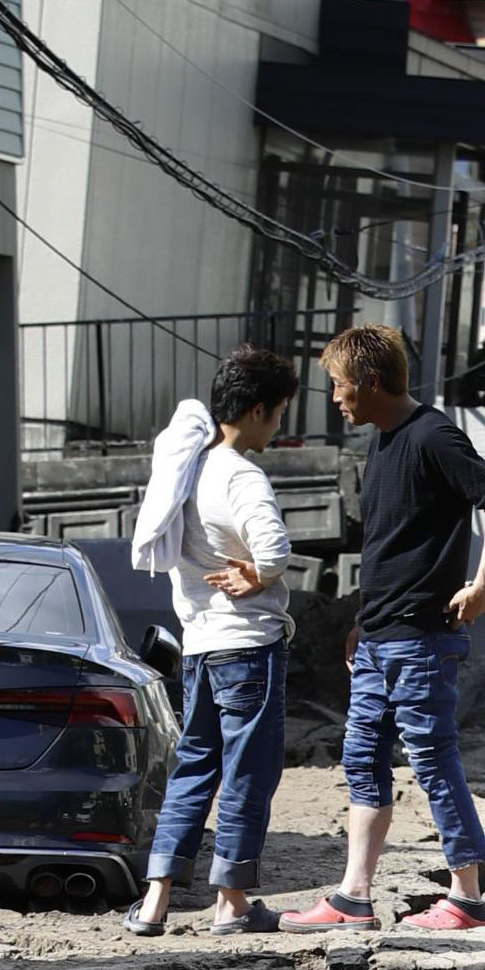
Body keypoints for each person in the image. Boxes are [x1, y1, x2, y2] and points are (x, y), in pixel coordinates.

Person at [280, 323, 485, 935]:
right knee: (361, 759)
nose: (335, 399)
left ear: (369, 381)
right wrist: (363, 619)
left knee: (432, 758)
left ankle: (466, 898)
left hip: (421, 638)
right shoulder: (382, 443)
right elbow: (391, 545)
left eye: (338, 386)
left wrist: (484, 584)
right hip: (381, 636)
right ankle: (353, 896)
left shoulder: (433, 435)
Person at [123, 346, 298, 938]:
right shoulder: (242, 475)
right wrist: (261, 575)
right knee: (249, 772)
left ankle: (154, 899)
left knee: (194, 766)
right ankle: (231, 901)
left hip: (198, 647)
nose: (278, 426)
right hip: (248, 647)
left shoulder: (188, 472)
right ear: (255, 411)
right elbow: (274, 549)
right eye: (277, 414)